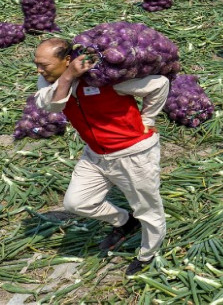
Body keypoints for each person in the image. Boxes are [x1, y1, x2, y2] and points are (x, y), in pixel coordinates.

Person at [32, 38, 170, 276]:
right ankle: (124, 222)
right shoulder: (53, 79)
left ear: (67, 60)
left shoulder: (104, 78)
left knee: (148, 210)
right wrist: (68, 77)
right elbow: (50, 105)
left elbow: (159, 84)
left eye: (44, 65)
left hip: (133, 153)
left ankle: (148, 254)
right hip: (95, 154)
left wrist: (147, 120)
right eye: (37, 64)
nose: (39, 70)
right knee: (76, 203)